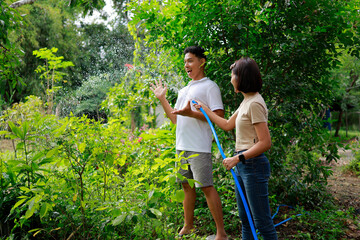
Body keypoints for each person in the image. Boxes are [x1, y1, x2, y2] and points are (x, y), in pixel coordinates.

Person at [193, 57, 278, 240]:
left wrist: (237, 159)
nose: (231, 79)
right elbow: (226, 124)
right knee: (246, 220)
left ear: (242, 78)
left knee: (262, 222)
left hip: (252, 165)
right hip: (244, 165)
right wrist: (205, 109)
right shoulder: (246, 101)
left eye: (233, 75)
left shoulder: (255, 103)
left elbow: (265, 142)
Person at [150, 46, 228, 240]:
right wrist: (162, 99)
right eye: (185, 61)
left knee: (206, 187)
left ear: (202, 62)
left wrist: (191, 113)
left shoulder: (210, 86)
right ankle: (188, 226)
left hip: (199, 146)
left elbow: (218, 116)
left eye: (191, 60)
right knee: (186, 186)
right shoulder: (184, 89)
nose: (187, 65)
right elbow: (176, 119)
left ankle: (221, 233)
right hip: (181, 146)